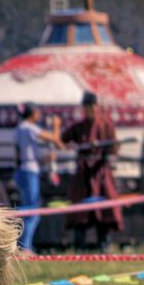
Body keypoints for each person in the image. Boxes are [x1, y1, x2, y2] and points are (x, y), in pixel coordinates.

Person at [60, 91, 124, 251]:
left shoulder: (106, 125)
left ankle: (104, 244)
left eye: (92, 107)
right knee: (81, 212)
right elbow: (63, 140)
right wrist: (75, 147)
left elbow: (114, 147)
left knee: (105, 208)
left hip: (101, 172)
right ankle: (79, 246)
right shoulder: (79, 126)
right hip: (83, 174)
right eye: (87, 107)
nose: (90, 110)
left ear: (97, 107)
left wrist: (102, 146)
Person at [14, 102, 63, 253]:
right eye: (37, 112)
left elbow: (23, 156)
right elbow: (54, 138)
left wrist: (46, 159)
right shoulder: (29, 128)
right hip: (29, 173)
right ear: (32, 113)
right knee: (32, 211)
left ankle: (24, 245)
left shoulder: (19, 129)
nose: (39, 115)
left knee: (29, 210)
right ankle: (25, 247)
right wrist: (56, 125)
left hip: (22, 170)